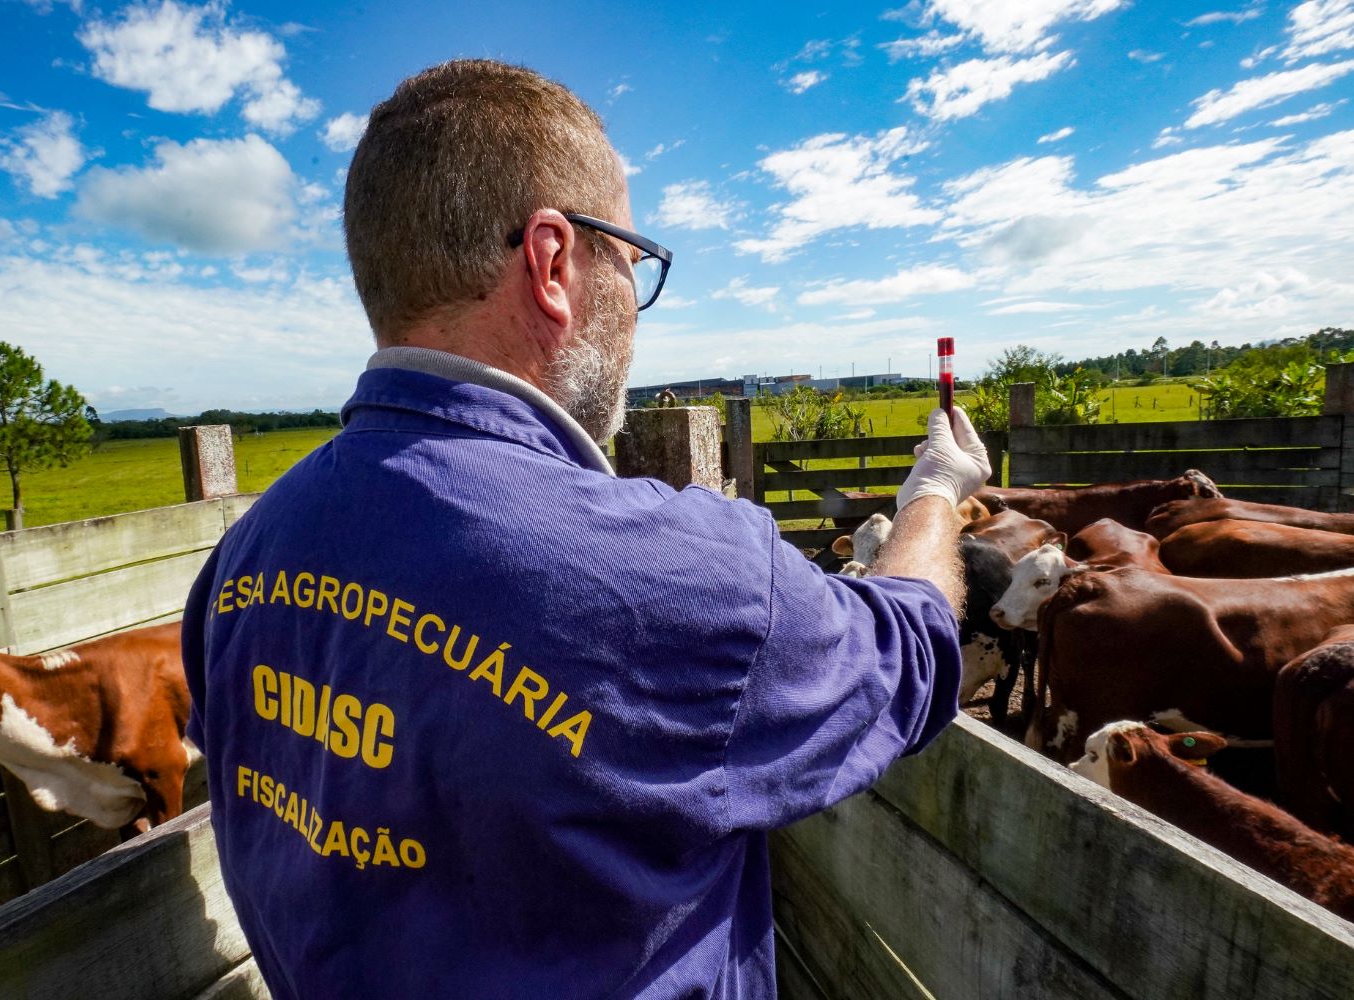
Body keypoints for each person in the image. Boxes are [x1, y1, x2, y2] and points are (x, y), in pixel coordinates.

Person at [181, 59, 991, 999]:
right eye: (633, 259)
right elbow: (911, 642)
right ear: (555, 261)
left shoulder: (246, 553)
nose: (636, 304)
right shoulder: (679, 572)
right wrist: (936, 487)